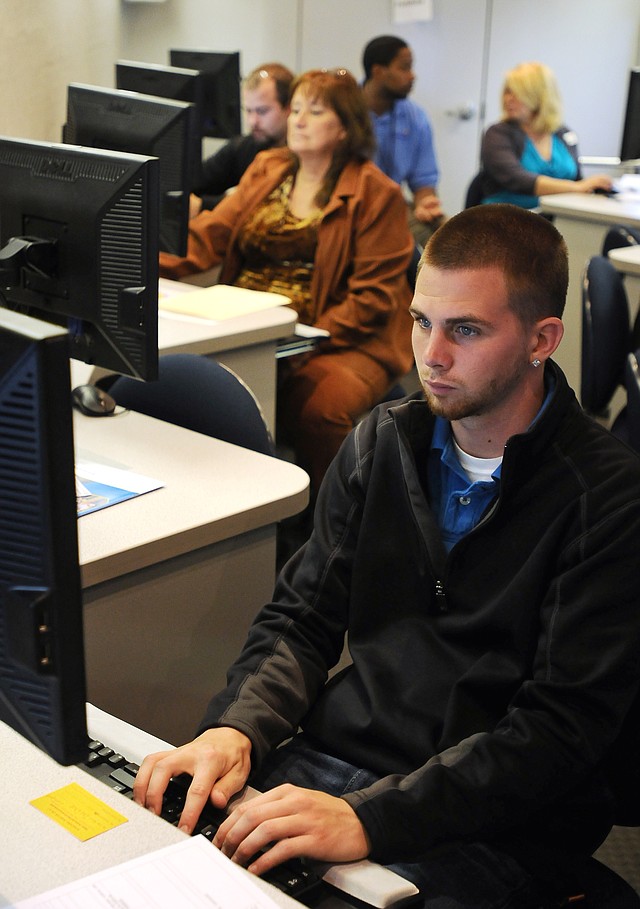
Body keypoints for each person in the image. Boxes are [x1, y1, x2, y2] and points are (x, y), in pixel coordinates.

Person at [136, 203, 640, 908]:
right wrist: (235, 728)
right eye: (420, 320)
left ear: (541, 338)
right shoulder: (383, 442)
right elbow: (302, 619)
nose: (429, 355)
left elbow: (556, 733)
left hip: (496, 820)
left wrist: (369, 818)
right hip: (335, 769)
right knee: (158, 861)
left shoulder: (605, 495)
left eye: (465, 330)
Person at [161, 68, 414, 495]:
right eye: (295, 109)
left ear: (345, 127)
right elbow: (209, 236)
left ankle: (332, 522)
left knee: (319, 409)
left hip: (343, 336)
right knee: (188, 388)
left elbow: (371, 299)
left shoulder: (378, 193)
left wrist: (304, 341)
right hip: (250, 321)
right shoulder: (269, 167)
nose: (297, 120)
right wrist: (142, 263)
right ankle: (237, 504)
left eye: (314, 112)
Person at [480, 61, 613, 207]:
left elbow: (577, 178)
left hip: (558, 215)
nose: (508, 99)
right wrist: (578, 187)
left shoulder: (564, 134)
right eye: (507, 91)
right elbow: (517, 179)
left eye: (518, 93)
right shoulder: (498, 134)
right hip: (507, 219)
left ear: (541, 96)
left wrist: (592, 186)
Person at [362, 35, 444, 246]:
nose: (412, 76)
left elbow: (423, 180)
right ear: (378, 71)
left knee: (449, 239)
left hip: (393, 205)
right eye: (404, 68)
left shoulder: (415, 117)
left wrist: (425, 203)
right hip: (352, 205)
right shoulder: (344, 109)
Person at [189, 63, 294, 218]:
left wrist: (202, 206)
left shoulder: (301, 158)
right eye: (248, 111)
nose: (253, 122)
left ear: (289, 108)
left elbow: (263, 208)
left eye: (262, 111)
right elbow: (196, 179)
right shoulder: (242, 147)